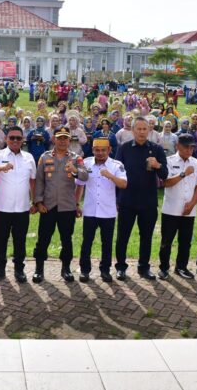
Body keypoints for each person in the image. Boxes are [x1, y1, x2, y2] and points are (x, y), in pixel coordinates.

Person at [114, 117, 168, 280]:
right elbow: (117, 173)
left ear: (149, 131)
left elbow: (164, 174)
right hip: (127, 200)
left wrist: (158, 165)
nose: (142, 132)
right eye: (138, 129)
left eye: (145, 129)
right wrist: (117, 199)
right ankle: (121, 267)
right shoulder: (123, 149)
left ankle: (143, 267)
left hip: (148, 201)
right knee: (123, 236)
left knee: (146, 236)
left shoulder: (157, 149)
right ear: (132, 130)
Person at [32, 126, 89, 283]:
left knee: (66, 239)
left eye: (65, 138)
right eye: (60, 137)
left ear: (69, 139)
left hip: (67, 207)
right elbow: (39, 181)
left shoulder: (76, 158)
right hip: (48, 206)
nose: (63, 141)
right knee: (43, 238)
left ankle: (66, 269)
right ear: (54, 139)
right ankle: (38, 269)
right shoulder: (44, 157)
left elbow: (85, 177)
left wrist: (75, 170)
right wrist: (38, 202)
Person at [0, 126, 36, 283]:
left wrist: (35, 201)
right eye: (12, 138)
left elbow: (33, 181)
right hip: (2, 208)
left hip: (22, 208)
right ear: (6, 139)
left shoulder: (29, 157)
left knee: (20, 240)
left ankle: (19, 269)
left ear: (23, 140)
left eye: (18, 138)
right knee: (1, 240)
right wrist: (2, 167)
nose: (15, 141)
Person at [75, 138, 127, 282]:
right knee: (87, 242)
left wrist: (110, 175)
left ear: (109, 150)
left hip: (107, 211)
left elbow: (123, 184)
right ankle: (85, 270)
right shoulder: (85, 163)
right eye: (97, 150)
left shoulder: (116, 165)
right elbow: (80, 184)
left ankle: (105, 270)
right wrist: (76, 204)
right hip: (90, 210)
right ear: (92, 150)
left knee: (107, 242)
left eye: (103, 150)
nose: (100, 153)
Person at [158, 134, 197, 280]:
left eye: (192, 147)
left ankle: (181, 267)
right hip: (171, 209)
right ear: (178, 146)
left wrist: (192, 204)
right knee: (167, 241)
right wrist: (183, 173)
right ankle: (164, 268)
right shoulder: (169, 161)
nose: (189, 150)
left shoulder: (195, 162)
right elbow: (166, 182)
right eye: (186, 147)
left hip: (188, 210)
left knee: (185, 242)